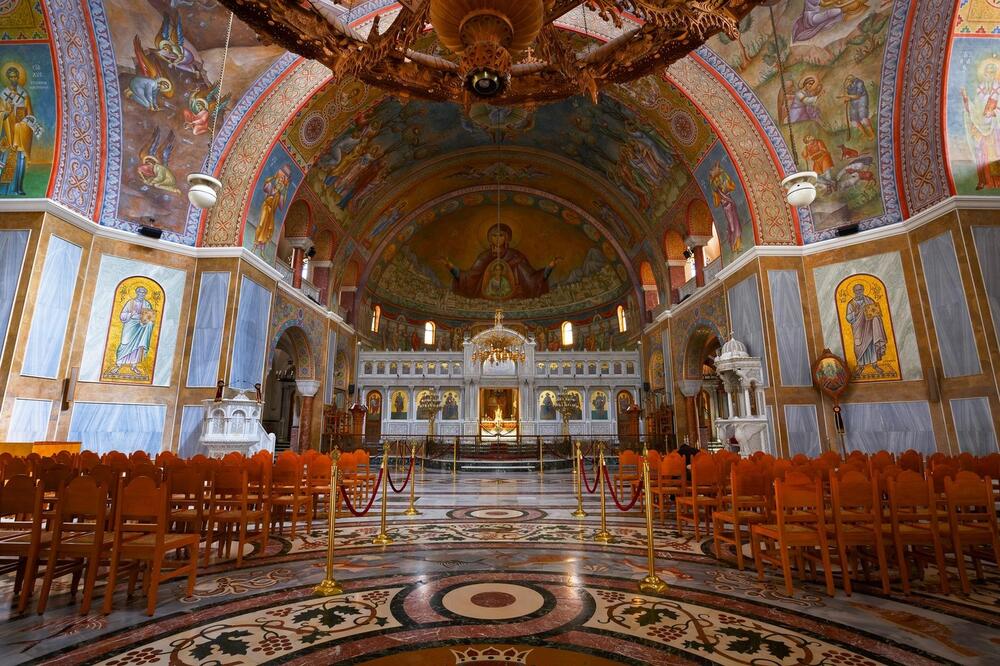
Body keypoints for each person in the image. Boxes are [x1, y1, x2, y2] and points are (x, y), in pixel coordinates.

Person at [444, 224, 560, 299]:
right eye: (494, 236)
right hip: (486, 300)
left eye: (500, 235)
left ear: (507, 238)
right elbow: (469, 278)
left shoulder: (516, 256)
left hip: (515, 299)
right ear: (490, 238)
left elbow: (531, 279)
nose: (497, 239)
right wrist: (451, 267)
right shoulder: (484, 257)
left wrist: (549, 267)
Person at [110, 287, 155, 378]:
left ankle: (134, 366)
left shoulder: (147, 304)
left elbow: (150, 316)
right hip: (130, 326)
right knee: (125, 343)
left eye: (144, 293)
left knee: (138, 346)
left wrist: (146, 321)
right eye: (140, 292)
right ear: (137, 293)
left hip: (141, 327)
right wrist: (131, 314)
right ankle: (118, 365)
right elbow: (122, 315)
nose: (142, 294)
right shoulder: (130, 303)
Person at [845, 283, 888, 377]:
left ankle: (874, 364)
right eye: (857, 290)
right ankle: (861, 366)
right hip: (858, 329)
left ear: (863, 290)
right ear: (854, 292)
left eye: (860, 290)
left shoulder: (869, 300)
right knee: (859, 346)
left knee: (871, 345)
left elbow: (876, 312)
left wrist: (875, 318)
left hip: (870, 328)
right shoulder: (851, 304)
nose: (859, 292)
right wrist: (855, 313)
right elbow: (848, 318)